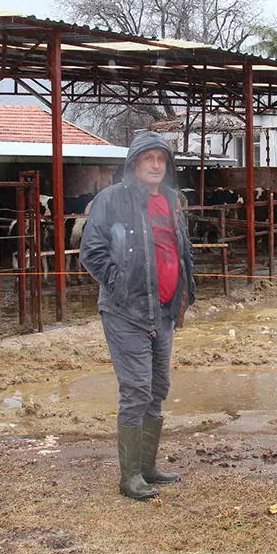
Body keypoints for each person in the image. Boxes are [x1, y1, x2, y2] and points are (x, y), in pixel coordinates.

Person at [80, 132, 196, 500]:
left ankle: (148, 467)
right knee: (136, 390)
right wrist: (121, 288)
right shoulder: (111, 199)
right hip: (125, 313)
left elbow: (182, 251)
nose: (156, 166)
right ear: (134, 163)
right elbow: (91, 250)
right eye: (149, 159)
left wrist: (185, 294)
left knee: (157, 389)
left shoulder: (174, 201)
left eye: (162, 160)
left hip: (163, 312)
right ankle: (129, 477)